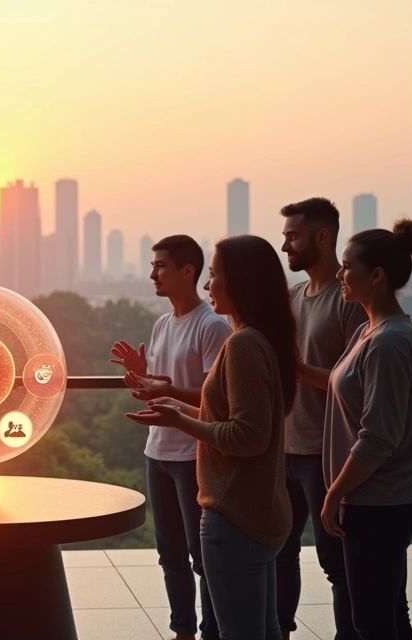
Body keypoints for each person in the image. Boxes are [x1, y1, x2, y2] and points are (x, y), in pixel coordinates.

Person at [127, 234, 296, 640]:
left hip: (233, 511)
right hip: (259, 511)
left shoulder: (239, 343)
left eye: (215, 275)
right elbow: (230, 416)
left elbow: (247, 435)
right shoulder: (263, 340)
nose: (208, 284)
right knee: (265, 629)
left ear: (239, 282)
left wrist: (181, 421)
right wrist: (174, 410)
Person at [306, 220, 412, 640]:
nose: (339, 275)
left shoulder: (389, 342)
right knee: (391, 615)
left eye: (346, 267)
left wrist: (335, 492)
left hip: (380, 503)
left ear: (376, 276)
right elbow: (348, 387)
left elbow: (378, 438)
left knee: (372, 623)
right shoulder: (367, 330)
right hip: (377, 501)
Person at [111, 235, 230, 640]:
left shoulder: (212, 326)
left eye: (160, 266)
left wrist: (162, 389)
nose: (152, 274)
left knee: (202, 556)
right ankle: (183, 630)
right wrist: (142, 376)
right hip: (157, 450)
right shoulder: (162, 323)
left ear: (188, 271)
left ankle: (212, 630)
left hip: (193, 451)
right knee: (170, 555)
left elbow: (217, 398)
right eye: (153, 265)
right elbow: (161, 387)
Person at [277, 199, 367, 640]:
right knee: (279, 550)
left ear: (322, 237)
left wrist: (297, 369)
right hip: (284, 448)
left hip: (326, 453)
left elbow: (356, 379)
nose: (285, 244)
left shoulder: (348, 300)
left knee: (336, 563)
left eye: (292, 236)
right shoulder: (292, 297)